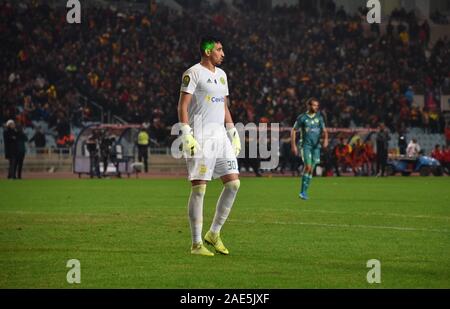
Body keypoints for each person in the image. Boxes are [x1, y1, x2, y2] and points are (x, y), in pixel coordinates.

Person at [177, 36, 241, 256]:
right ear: (207, 51)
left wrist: (232, 131)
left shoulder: (222, 76)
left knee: (233, 184)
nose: (222, 53)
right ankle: (196, 244)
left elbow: (224, 106)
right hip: (201, 136)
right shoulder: (192, 73)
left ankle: (213, 233)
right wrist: (186, 133)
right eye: (219, 50)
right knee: (200, 188)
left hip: (220, 136)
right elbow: (182, 105)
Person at [290, 98, 328, 200]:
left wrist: (325, 140)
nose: (316, 107)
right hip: (306, 146)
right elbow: (293, 130)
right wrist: (293, 145)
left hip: (316, 146)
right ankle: (302, 192)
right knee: (308, 167)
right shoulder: (302, 118)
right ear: (309, 106)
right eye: (314, 105)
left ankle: (305, 192)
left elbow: (324, 130)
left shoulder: (319, 118)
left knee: (312, 169)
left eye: (317, 106)